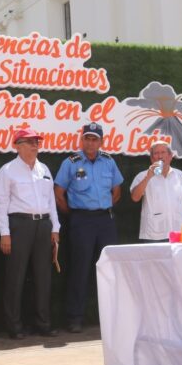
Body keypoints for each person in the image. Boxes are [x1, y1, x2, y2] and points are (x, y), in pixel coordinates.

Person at [54, 123, 122, 333]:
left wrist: (103, 208)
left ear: (101, 142)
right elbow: (58, 193)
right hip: (81, 221)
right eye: (87, 139)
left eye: (95, 139)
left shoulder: (109, 162)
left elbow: (117, 191)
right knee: (80, 270)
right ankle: (75, 317)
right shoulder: (71, 162)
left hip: (105, 221)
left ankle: (113, 317)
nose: (90, 143)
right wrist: (74, 213)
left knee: (110, 270)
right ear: (82, 140)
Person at [0, 128, 60, 339]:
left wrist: (55, 228)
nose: (35, 145)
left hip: (43, 225)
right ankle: (14, 326)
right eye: (30, 142)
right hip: (19, 225)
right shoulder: (7, 170)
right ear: (17, 145)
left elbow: (51, 201)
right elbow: (1, 203)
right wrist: (5, 233)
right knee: (16, 276)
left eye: (37, 142)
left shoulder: (44, 169)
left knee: (43, 276)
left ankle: (43, 324)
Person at [130, 140, 182, 242]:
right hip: (153, 234)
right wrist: (148, 177)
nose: (160, 156)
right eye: (156, 153)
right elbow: (135, 198)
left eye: (163, 152)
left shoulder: (179, 175)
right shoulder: (143, 175)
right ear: (152, 158)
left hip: (178, 232)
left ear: (170, 156)